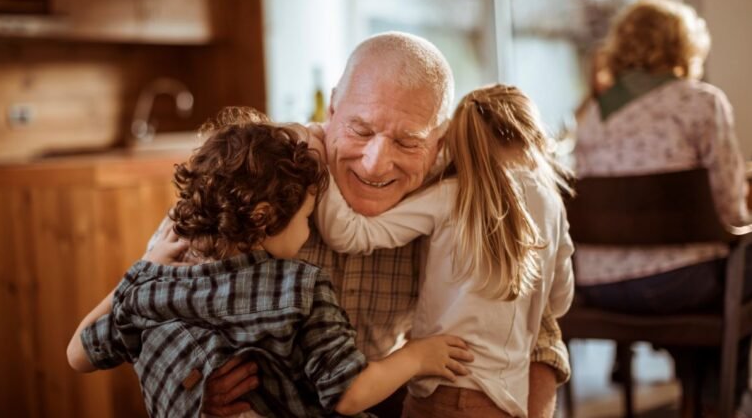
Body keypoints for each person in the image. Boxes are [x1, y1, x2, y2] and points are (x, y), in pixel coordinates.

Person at [149, 32, 571, 417]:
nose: (375, 164)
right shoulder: (260, 170)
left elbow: (539, 331)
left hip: (379, 396)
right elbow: (149, 309)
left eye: (408, 141)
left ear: (439, 144)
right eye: (360, 129)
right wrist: (194, 385)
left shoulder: (458, 195)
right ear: (332, 109)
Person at [66, 109, 475, 417]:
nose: (308, 230)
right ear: (263, 217)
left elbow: (78, 355)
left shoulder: (155, 283)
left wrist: (144, 270)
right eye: (305, 218)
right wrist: (418, 356)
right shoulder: (300, 288)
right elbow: (349, 393)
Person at [314, 84, 575, 417]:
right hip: (502, 397)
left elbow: (348, 234)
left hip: (436, 385)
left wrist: (318, 158)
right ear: (532, 134)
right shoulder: (552, 204)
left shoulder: (451, 194)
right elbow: (560, 302)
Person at [573, 0, 752, 415]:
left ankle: (695, 397)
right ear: (684, 47)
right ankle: (718, 404)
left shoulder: (592, 115)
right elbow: (729, 208)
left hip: (598, 286)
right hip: (678, 285)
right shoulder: (700, 101)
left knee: (715, 274)